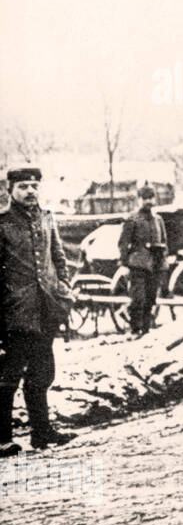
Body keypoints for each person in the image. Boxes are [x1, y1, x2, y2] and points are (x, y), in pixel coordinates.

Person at [0, 165, 76, 454]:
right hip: (15, 313)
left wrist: (64, 291)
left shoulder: (47, 218)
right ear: (11, 191)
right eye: (23, 186)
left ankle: (42, 433)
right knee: (8, 377)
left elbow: (59, 258)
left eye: (34, 186)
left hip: (46, 309)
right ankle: (3, 438)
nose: (30, 191)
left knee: (42, 374)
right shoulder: (3, 223)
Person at [117, 185, 168, 337]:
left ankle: (146, 330)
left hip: (155, 264)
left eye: (151, 198)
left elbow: (164, 241)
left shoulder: (158, 220)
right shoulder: (132, 219)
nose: (148, 202)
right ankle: (135, 329)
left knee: (151, 298)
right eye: (145, 198)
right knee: (138, 298)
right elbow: (123, 243)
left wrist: (163, 258)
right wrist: (125, 264)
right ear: (139, 200)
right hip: (137, 264)